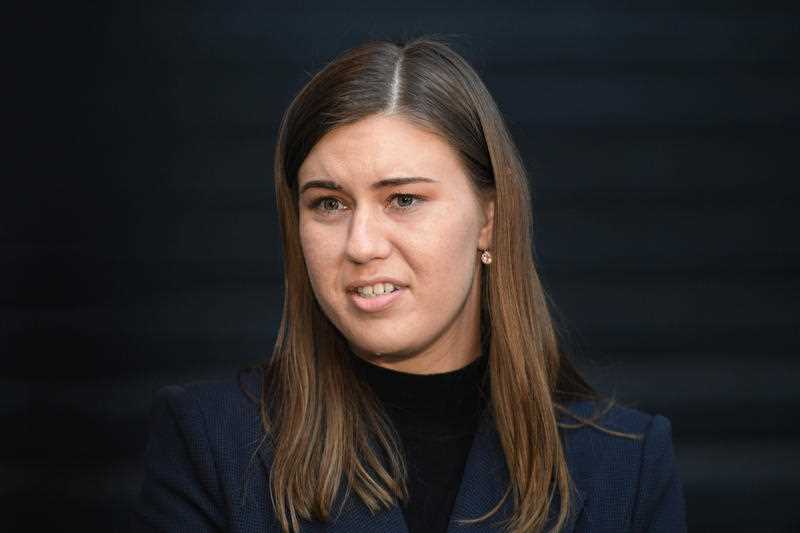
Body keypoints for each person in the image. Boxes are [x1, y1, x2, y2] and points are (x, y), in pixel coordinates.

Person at [132, 36, 687, 533]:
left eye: (403, 199)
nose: (362, 244)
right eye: (329, 203)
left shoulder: (624, 464)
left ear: (489, 218)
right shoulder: (210, 443)